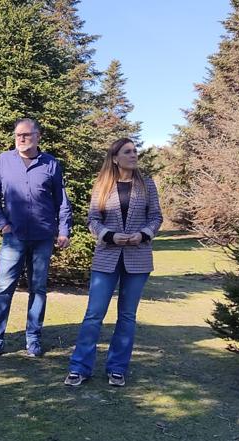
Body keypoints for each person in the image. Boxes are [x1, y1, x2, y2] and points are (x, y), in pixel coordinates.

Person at [64, 138, 162, 387]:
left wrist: (143, 235)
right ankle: (79, 368)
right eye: (127, 152)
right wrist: (109, 235)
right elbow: (93, 219)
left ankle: (117, 368)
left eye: (135, 151)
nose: (133, 155)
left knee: (127, 316)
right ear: (115, 158)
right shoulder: (103, 185)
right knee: (94, 314)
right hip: (107, 256)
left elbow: (156, 217)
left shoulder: (147, 184)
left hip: (137, 258)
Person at [0, 118, 72, 359]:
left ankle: (33, 339)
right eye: (17, 135)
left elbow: (62, 201)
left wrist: (63, 230)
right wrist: (3, 224)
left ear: (38, 136)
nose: (21, 139)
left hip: (42, 238)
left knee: (38, 289)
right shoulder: (3, 161)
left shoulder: (50, 164)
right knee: (3, 288)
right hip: (13, 237)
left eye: (26, 135)